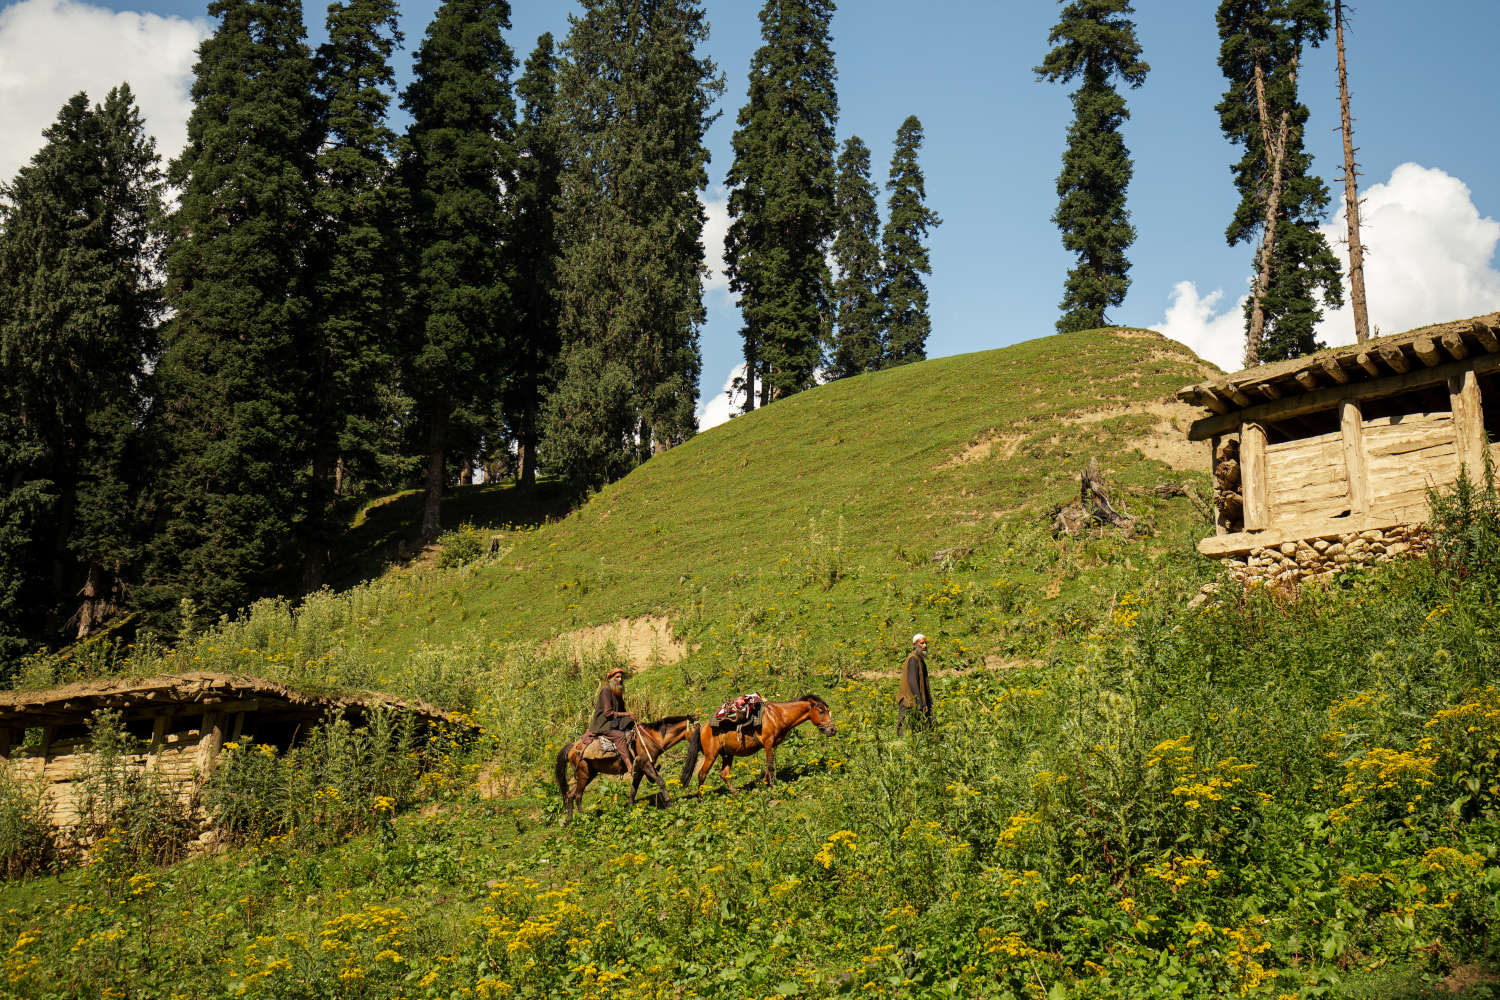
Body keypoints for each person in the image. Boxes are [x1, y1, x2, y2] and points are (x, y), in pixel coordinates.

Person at [588, 666, 637, 767]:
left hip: (614, 722)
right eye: (617, 677)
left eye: (621, 677)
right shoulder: (606, 691)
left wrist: (630, 718)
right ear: (611, 679)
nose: (620, 679)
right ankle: (629, 766)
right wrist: (627, 714)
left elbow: (622, 710)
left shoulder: (617, 691)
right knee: (620, 736)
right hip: (604, 724)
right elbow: (608, 713)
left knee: (634, 728)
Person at [897, 633, 933, 734]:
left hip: (917, 701)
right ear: (914, 645)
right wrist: (920, 702)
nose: (925, 646)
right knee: (905, 729)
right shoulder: (913, 659)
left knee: (920, 729)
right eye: (922, 643)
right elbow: (913, 682)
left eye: (925, 643)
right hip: (909, 701)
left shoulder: (919, 659)